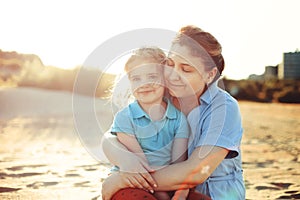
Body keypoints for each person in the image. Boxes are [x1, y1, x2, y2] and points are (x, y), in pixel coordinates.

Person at [101, 25, 246, 200]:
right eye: (170, 64)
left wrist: (124, 180)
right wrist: (125, 160)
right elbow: (112, 136)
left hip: (213, 195)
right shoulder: (162, 94)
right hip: (161, 192)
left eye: (186, 69)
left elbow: (197, 171)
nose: (172, 75)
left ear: (210, 75)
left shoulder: (224, 108)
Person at [109, 47, 190, 199]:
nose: (144, 84)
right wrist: (162, 195)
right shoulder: (125, 117)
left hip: (167, 182)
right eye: (136, 78)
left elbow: (179, 164)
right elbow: (140, 164)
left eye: (152, 76)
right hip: (131, 181)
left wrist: (181, 193)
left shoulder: (179, 119)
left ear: (165, 79)